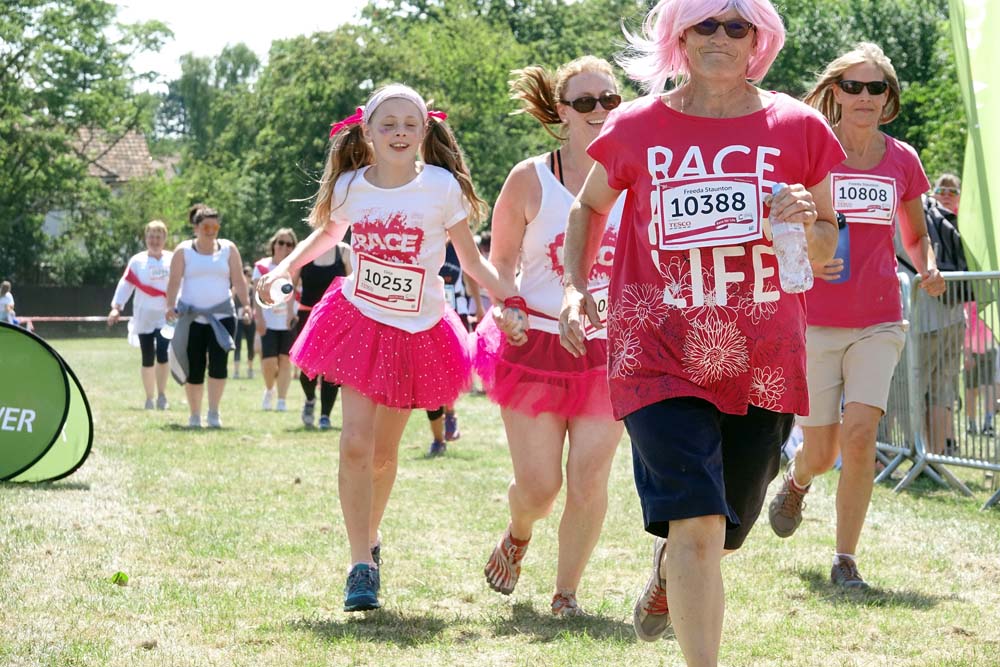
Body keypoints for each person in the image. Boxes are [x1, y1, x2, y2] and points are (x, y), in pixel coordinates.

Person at [558, 1, 843, 662]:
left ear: (758, 39)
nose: (720, 37)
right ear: (680, 35)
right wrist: (576, 287)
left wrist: (807, 223)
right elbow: (589, 206)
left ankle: (666, 573)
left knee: (723, 534)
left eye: (735, 26)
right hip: (656, 349)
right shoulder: (637, 125)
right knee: (697, 523)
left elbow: (832, 241)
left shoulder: (797, 126)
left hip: (763, 357)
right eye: (705, 24)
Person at [256, 84, 526, 613]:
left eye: (409, 123)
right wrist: (287, 268)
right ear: (368, 133)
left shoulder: (442, 188)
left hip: (417, 333)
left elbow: (472, 262)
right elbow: (328, 237)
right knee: (355, 443)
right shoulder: (352, 186)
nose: (399, 131)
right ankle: (360, 564)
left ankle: (371, 535)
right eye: (388, 124)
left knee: (382, 455)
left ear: (424, 132)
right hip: (360, 320)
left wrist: (511, 297)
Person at [768, 42, 946, 590]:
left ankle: (845, 558)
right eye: (853, 86)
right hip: (815, 321)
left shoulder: (903, 160)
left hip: (878, 319)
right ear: (835, 94)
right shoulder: (811, 151)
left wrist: (929, 267)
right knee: (820, 452)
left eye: (876, 88)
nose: (864, 97)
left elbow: (914, 234)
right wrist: (805, 256)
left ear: (888, 99)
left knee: (862, 432)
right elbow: (779, 218)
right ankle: (797, 482)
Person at [476, 56, 626, 616]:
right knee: (539, 488)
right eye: (585, 102)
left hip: (607, 351)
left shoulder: (637, 174)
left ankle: (566, 594)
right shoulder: (530, 177)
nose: (599, 112)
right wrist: (508, 305)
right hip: (534, 344)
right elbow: (502, 262)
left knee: (589, 477)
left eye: (609, 100)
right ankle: (518, 533)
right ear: (562, 112)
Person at [165, 204, 251, 429]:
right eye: (206, 226)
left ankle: (214, 413)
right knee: (194, 366)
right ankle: (194, 415)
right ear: (196, 227)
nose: (211, 230)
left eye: (215, 226)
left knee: (219, 365)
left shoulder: (228, 249)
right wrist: (169, 306)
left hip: (222, 316)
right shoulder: (183, 250)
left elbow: (239, 280)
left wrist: (247, 305)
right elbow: (173, 282)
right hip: (192, 317)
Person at [107, 220, 174, 410]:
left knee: (163, 353)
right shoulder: (137, 261)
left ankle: (162, 395)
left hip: (166, 316)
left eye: (158, 237)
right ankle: (149, 398)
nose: (154, 240)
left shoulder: (172, 259)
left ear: (164, 239)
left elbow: (180, 283)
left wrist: (179, 305)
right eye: (151, 236)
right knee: (147, 356)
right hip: (144, 315)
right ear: (146, 238)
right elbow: (125, 284)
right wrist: (117, 307)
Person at [426, 240, 481, 456]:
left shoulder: (460, 244)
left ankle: (450, 413)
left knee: (448, 372)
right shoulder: (427, 239)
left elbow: (471, 276)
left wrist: (478, 304)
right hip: (429, 316)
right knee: (431, 376)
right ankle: (438, 439)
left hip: (456, 316)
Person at [291, 241, 352, 429]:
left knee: (331, 371)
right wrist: (288, 312)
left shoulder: (344, 251)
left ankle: (325, 415)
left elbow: (353, 284)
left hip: (336, 319)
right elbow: (291, 285)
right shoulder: (306, 248)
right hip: (308, 316)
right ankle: (310, 399)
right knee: (305, 369)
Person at [253, 228, 299, 411]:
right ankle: (269, 389)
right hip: (268, 321)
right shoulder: (262, 267)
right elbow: (255, 294)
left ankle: (281, 400)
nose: (284, 247)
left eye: (289, 244)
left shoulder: (294, 267)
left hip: (287, 321)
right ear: (273, 244)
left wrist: (290, 313)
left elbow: (293, 291)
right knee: (269, 361)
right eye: (280, 243)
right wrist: (260, 319)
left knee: (285, 360)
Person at [233, 265, 256, 379]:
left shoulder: (253, 289)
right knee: (237, 345)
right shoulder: (236, 288)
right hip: (238, 319)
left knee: (250, 345)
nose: (248, 277)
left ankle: (250, 370)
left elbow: (256, 305)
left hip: (250, 320)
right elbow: (231, 303)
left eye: (250, 275)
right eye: (246, 274)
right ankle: (236, 371)